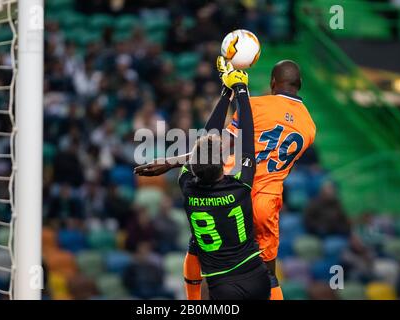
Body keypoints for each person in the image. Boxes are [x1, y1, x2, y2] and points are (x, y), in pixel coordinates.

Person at [135, 59, 316, 300]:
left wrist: (170, 161)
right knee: (268, 272)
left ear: (273, 82)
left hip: (227, 190)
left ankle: (193, 300)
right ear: (299, 83)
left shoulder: (256, 106)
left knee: (199, 243)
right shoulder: (310, 128)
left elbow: (216, 147)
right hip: (265, 201)